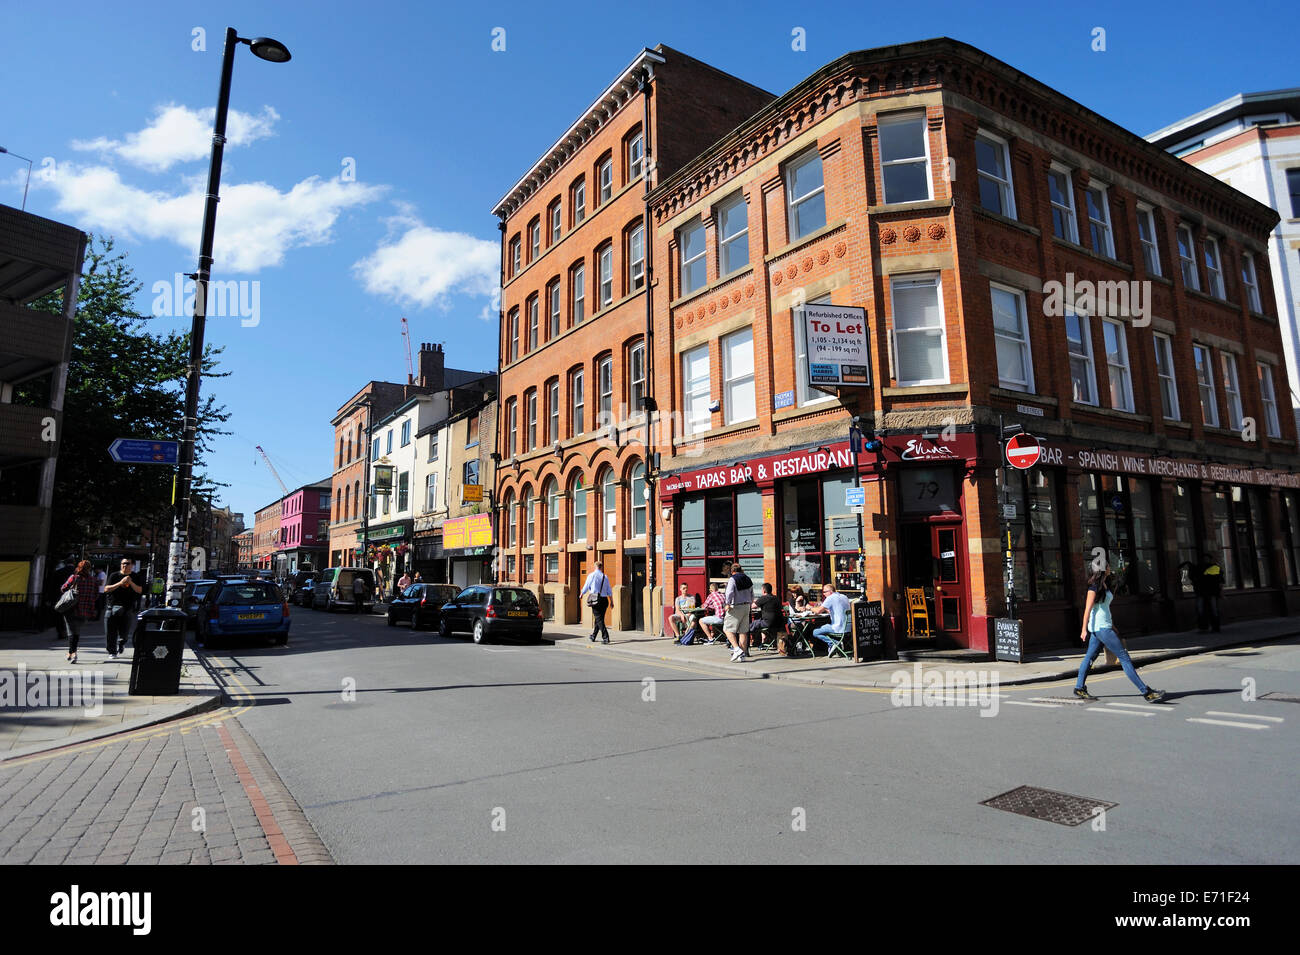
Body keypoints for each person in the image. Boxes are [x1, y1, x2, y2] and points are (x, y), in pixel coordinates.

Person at [1074, 567, 1166, 702]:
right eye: (1107, 566)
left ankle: (1079, 688)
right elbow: (1087, 610)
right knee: (1124, 658)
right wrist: (1083, 630)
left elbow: (1103, 609)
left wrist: (1113, 625)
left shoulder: (1103, 584)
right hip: (1102, 629)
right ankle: (1146, 692)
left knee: (1089, 657)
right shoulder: (1093, 588)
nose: (1109, 568)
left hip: (1102, 627)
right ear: (1101, 569)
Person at [59, 560, 98, 664]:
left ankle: (73, 653)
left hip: (71, 608)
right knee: (76, 632)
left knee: (72, 632)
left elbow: (63, 588)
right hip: (85, 610)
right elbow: (96, 595)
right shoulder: (93, 580)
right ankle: (70, 653)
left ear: (79, 568)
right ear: (89, 569)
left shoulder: (74, 577)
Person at [104, 558, 143, 658]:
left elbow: (139, 590)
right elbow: (106, 589)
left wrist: (131, 583)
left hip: (127, 608)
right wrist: (120, 583)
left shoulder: (135, 576)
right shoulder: (114, 575)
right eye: (123, 563)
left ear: (132, 565)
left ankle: (121, 643)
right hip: (112, 606)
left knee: (124, 632)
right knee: (110, 631)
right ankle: (112, 651)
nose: (125, 565)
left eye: (127, 563)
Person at [723, 562, 755, 662]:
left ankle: (737, 649)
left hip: (736, 607)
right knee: (743, 632)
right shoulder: (748, 579)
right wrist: (750, 603)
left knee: (727, 629)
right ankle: (742, 656)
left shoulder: (732, 579)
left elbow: (729, 593)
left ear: (732, 571)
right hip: (747, 606)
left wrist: (727, 603)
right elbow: (752, 593)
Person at [809, 583, 851, 654]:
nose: (823, 594)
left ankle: (834, 643)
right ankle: (835, 645)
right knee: (824, 625)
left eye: (824, 592)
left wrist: (809, 607)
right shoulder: (844, 596)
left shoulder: (830, 598)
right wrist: (826, 609)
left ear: (830, 592)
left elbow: (818, 611)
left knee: (815, 632)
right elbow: (838, 610)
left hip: (838, 628)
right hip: (848, 628)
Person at [580, 562, 613, 644]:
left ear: (595, 567)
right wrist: (612, 601)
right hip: (604, 600)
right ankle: (593, 636)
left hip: (596, 600)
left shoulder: (591, 575)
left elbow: (586, 586)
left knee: (599, 619)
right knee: (599, 619)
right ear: (601, 567)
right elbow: (609, 590)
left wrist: (581, 594)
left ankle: (606, 638)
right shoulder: (605, 577)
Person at [751, 583, 783, 650]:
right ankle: (763, 642)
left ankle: (750, 641)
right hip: (779, 623)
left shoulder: (764, 598)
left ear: (763, 590)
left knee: (753, 624)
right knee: (760, 622)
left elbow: (753, 606)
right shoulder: (776, 598)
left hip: (769, 623)